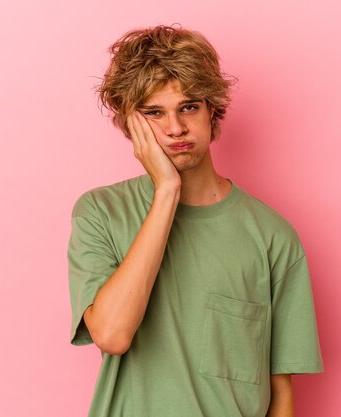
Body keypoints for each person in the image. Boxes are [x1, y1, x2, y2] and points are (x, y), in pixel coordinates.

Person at [67, 24, 324, 417]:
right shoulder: (101, 213)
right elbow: (112, 335)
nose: (175, 128)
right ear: (131, 123)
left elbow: (281, 393)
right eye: (154, 113)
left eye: (188, 107)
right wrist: (166, 191)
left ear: (212, 109)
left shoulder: (273, 236)